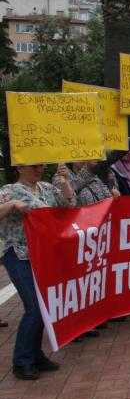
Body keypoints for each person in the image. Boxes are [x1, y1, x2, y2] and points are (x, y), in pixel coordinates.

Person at [1, 163, 75, 380]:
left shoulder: (45, 188)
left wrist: (64, 181)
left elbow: (68, 205)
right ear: (20, 167)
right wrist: (13, 205)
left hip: (43, 254)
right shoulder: (8, 191)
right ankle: (21, 360)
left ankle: (35, 354)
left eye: (41, 165)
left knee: (43, 305)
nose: (39, 169)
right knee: (33, 306)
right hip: (19, 254)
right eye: (34, 166)